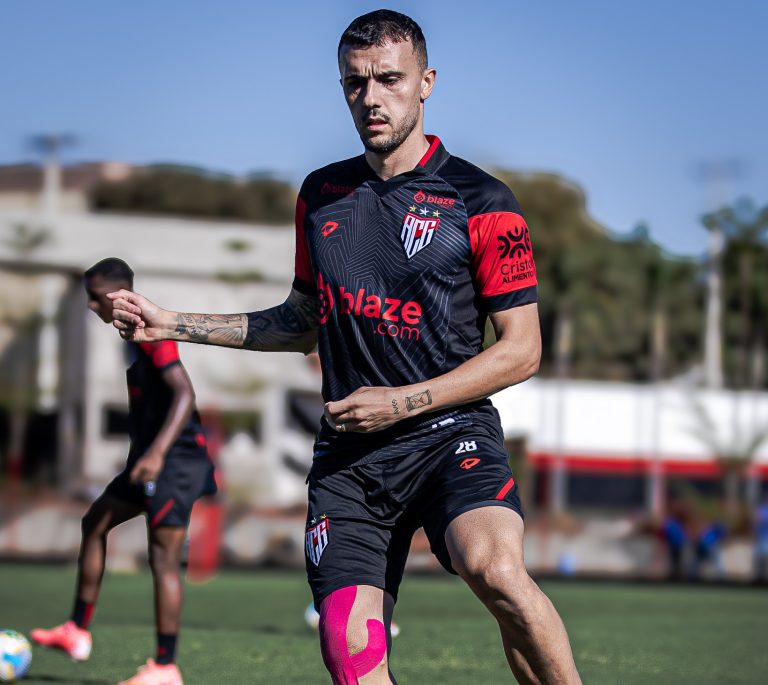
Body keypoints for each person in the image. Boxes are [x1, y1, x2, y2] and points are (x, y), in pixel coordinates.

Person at [109, 10, 582, 684]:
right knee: (350, 657)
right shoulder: (322, 196)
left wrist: (402, 401)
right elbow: (302, 319)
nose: (371, 98)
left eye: (390, 79)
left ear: (426, 83)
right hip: (351, 462)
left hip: (452, 436)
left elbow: (523, 350)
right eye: (354, 84)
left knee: (497, 570)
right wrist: (171, 322)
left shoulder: (482, 200)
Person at [31, 258, 216, 685]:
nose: (91, 306)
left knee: (162, 559)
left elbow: (184, 394)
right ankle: (76, 630)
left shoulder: (150, 333)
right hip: (149, 459)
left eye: (94, 299)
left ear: (115, 296)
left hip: (176, 461)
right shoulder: (129, 336)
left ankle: (166, 668)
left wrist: (155, 455)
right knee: (94, 522)